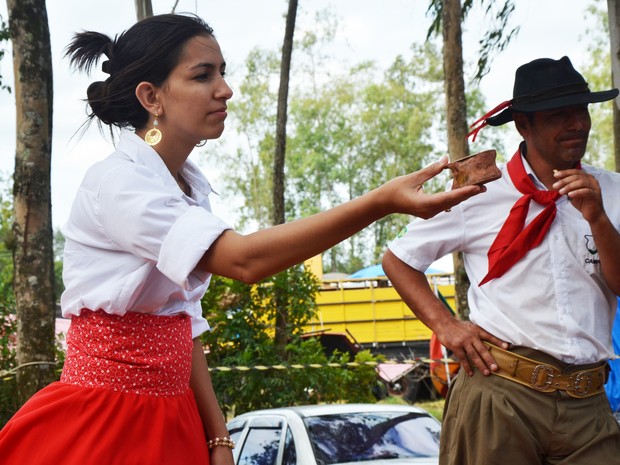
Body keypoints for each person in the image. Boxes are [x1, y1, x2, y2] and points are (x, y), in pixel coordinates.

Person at [0, 13, 484, 465]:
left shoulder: (187, 189)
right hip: (104, 421)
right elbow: (245, 261)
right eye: (203, 75)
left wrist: (217, 436)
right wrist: (381, 202)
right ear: (151, 98)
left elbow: (182, 321)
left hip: (174, 420)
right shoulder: (118, 183)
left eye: (222, 73)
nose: (226, 90)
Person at [383, 55, 620, 465]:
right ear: (523, 125)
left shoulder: (612, 190)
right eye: (559, 115)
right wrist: (446, 326)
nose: (578, 123)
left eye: (582, 111)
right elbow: (398, 259)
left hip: (588, 403)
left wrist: (597, 217)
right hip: (501, 393)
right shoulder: (478, 192)